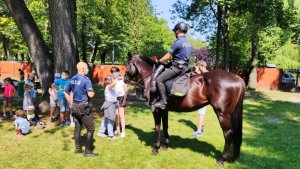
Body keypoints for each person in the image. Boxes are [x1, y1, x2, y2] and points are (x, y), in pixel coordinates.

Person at [151, 22, 192, 110]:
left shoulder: (178, 42)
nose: (175, 33)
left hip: (177, 68)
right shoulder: (188, 42)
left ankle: (163, 102)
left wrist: (159, 61)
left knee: (159, 79)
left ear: (178, 31)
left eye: (175, 31)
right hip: (185, 68)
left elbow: (168, 56)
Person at [64, 62, 98, 157]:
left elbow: (66, 93)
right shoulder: (86, 80)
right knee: (91, 128)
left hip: (75, 106)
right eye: (86, 68)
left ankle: (78, 149)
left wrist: (71, 105)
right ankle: (87, 152)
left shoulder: (72, 79)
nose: (87, 70)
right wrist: (93, 93)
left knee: (77, 128)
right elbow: (90, 94)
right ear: (83, 68)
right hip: (83, 107)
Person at [192, 60, 208, 137]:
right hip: (204, 96)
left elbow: (202, 80)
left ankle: (199, 131)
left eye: (199, 66)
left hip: (204, 96)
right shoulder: (206, 72)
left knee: (201, 113)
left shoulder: (206, 73)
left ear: (201, 66)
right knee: (202, 113)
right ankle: (202, 127)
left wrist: (198, 72)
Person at [111, 67, 128, 138]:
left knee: (121, 115)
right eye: (112, 72)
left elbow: (126, 90)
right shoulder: (112, 79)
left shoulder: (122, 80)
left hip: (121, 98)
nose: (114, 73)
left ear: (118, 72)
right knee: (116, 115)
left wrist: (124, 100)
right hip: (114, 98)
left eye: (115, 71)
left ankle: (123, 131)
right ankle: (117, 129)